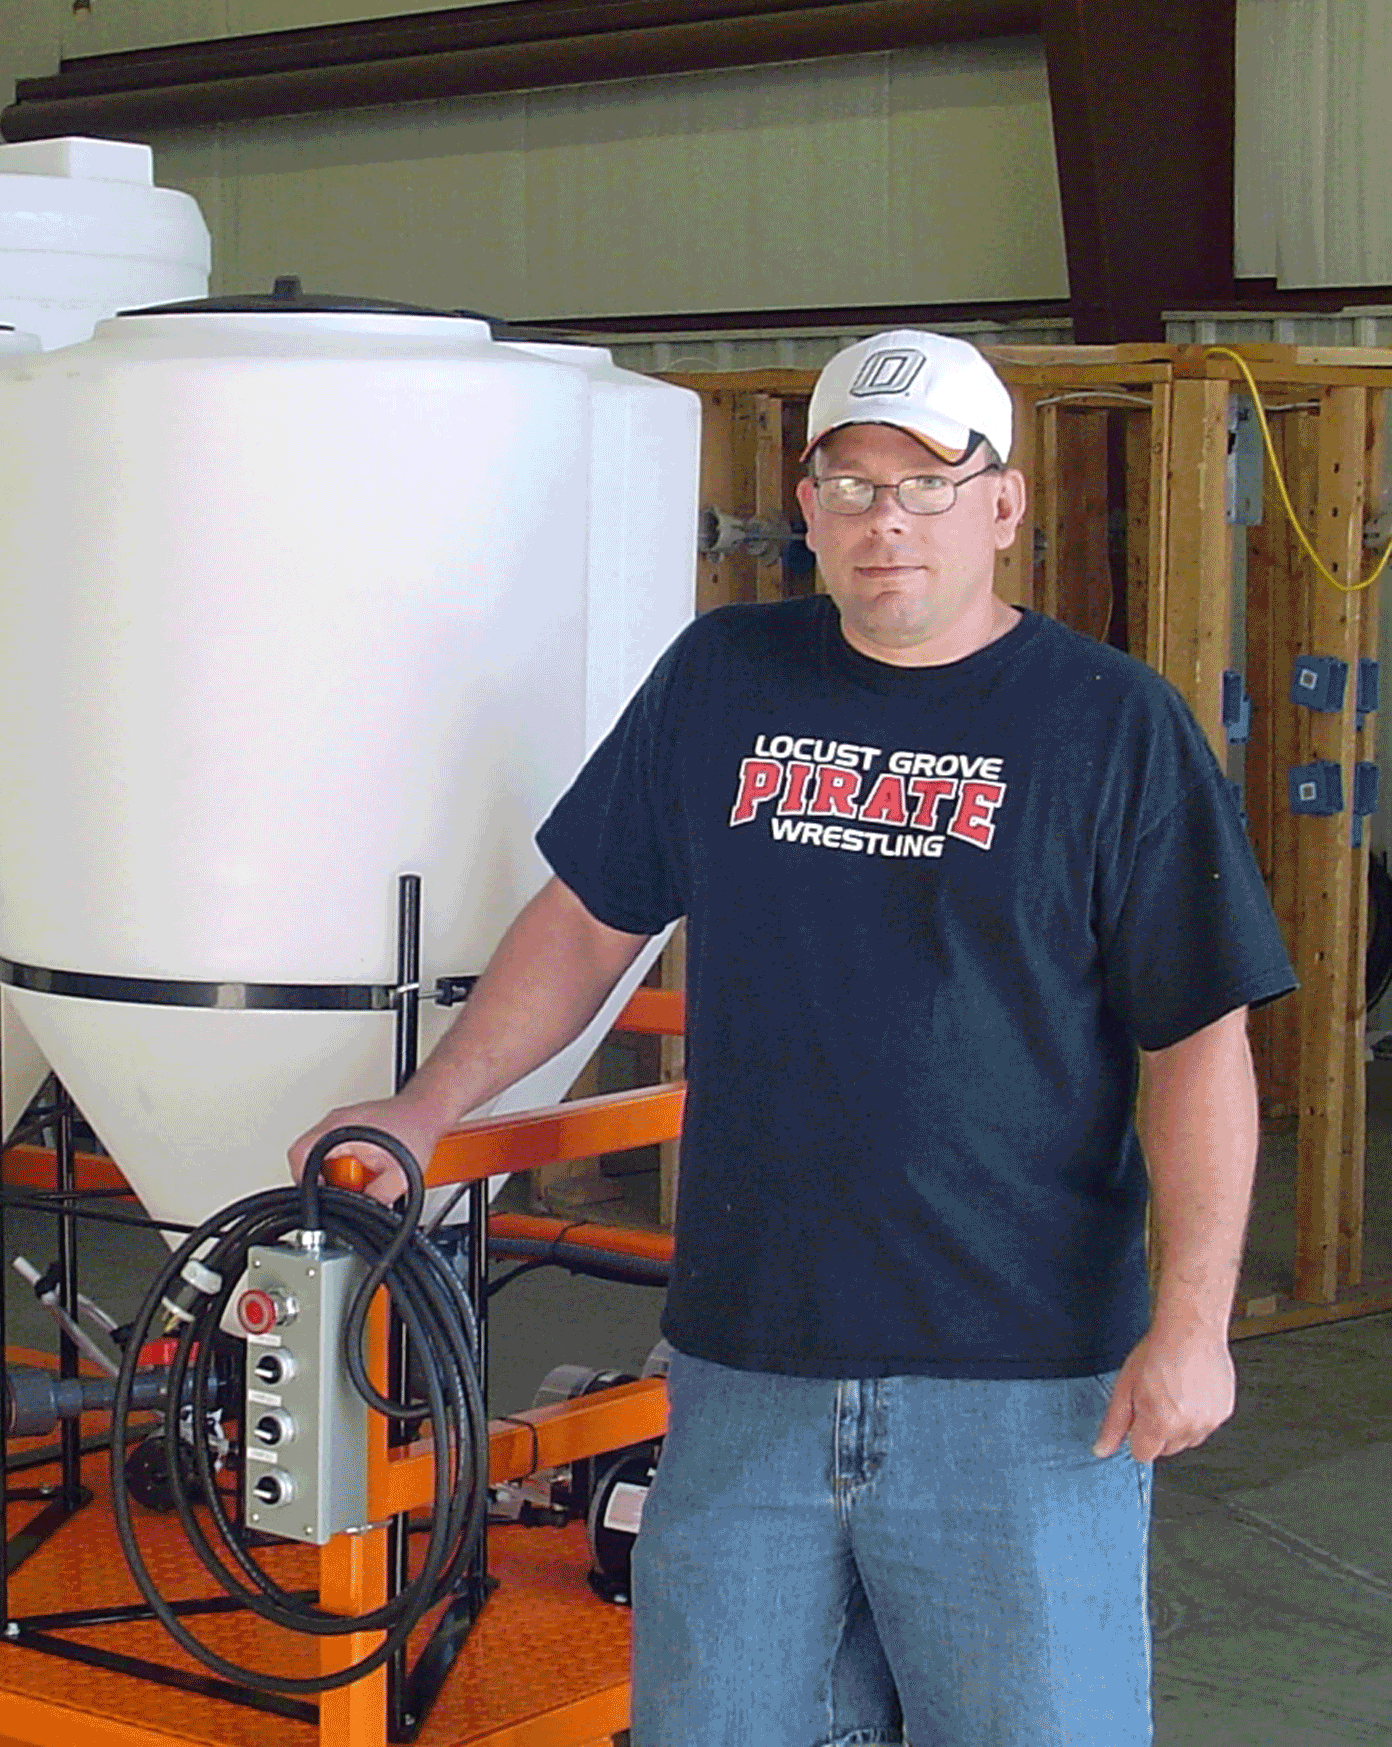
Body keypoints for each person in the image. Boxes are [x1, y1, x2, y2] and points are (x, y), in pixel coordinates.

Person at [291, 328, 1294, 1745]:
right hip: (748, 1369)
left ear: (1004, 506)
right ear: (806, 507)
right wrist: (425, 1106)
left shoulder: (1111, 725)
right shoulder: (723, 682)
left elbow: (1198, 1039)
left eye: (930, 483)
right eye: (853, 482)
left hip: (1021, 1390)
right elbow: (586, 923)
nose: (890, 520)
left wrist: (1194, 1324)